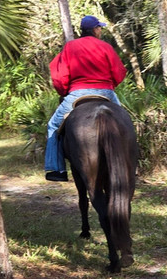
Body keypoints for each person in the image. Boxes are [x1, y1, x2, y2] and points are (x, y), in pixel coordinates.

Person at [44, 14, 127, 181]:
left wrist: (63, 92)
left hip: (78, 93)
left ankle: (56, 170)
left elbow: (60, 76)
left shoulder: (70, 47)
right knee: (126, 123)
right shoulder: (106, 47)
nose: (100, 31)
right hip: (106, 92)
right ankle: (128, 164)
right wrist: (109, 85)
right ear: (95, 30)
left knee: (53, 126)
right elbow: (119, 72)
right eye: (100, 28)